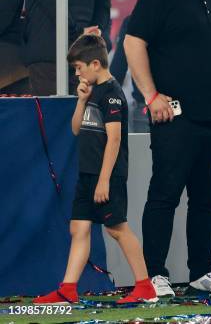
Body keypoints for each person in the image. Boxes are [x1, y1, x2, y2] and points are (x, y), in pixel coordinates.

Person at [123, 0, 211, 297]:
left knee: (206, 198)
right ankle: (155, 274)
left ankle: (202, 270)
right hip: (175, 117)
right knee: (165, 194)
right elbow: (132, 41)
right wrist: (151, 95)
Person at [33, 34, 156, 304]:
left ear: (96, 64)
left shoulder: (112, 94)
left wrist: (104, 180)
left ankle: (145, 286)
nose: (77, 73)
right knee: (79, 229)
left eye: (79, 68)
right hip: (86, 174)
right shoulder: (91, 92)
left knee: (117, 229)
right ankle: (68, 289)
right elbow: (76, 129)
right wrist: (80, 101)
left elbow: (114, 139)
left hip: (106, 176)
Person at [110, 0, 166, 132]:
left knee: (143, 156)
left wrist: (108, 101)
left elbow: (118, 68)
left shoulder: (132, 21)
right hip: (175, 107)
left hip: (145, 106)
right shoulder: (177, 21)